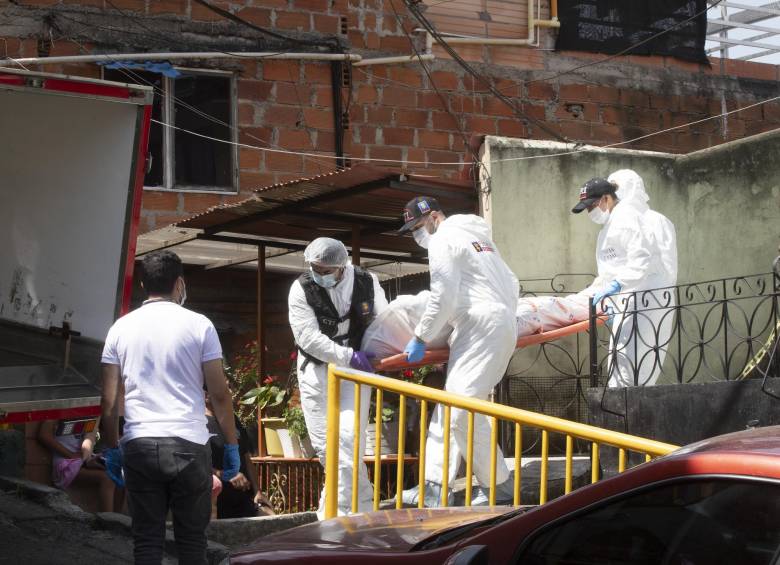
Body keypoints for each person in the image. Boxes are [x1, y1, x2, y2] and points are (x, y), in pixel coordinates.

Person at [100, 250, 240, 565]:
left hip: (140, 445)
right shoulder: (200, 325)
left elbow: (109, 401)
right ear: (179, 284)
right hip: (189, 446)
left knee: (147, 543)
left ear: (141, 286)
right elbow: (219, 394)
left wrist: (111, 448)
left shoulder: (119, 329)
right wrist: (231, 444)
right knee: (192, 544)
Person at [398, 196, 519, 507]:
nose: (417, 234)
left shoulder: (444, 239)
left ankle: (498, 485)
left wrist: (421, 336)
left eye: (419, 226)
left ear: (435, 217)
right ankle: (436, 487)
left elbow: (443, 295)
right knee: (454, 407)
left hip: (480, 327)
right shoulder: (479, 239)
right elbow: (512, 282)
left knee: (460, 410)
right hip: (495, 324)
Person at [287, 237, 389, 517]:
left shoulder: (367, 281)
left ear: (342, 266)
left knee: (348, 439)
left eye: (325, 270)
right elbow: (307, 337)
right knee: (326, 447)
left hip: (356, 372)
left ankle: (336, 514)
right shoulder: (301, 289)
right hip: (318, 371)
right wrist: (347, 356)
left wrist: (381, 352)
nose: (319, 275)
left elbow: (383, 319)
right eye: (314, 269)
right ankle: (361, 507)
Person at [571, 173, 677, 387]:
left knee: (632, 364)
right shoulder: (610, 227)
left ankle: (628, 414)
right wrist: (601, 292)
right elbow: (610, 271)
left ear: (607, 198)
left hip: (647, 299)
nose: (591, 212)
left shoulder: (643, 219)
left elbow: (653, 266)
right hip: (627, 299)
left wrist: (617, 286)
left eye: (592, 206)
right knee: (622, 362)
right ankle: (622, 413)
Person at [205, 390, 274, 518]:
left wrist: (257, 491)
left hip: (245, 499)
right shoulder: (196, 423)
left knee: (274, 524)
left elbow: (246, 457)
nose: (228, 391)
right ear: (204, 394)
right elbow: (195, 463)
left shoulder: (232, 419)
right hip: (215, 505)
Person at [36, 418, 120, 513]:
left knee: (119, 475)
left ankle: (118, 518)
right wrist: (71, 455)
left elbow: (89, 439)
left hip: (83, 458)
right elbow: (44, 435)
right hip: (65, 463)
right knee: (108, 479)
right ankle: (109, 521)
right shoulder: (58, 408)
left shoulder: (92, 410)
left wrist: (88, 459)